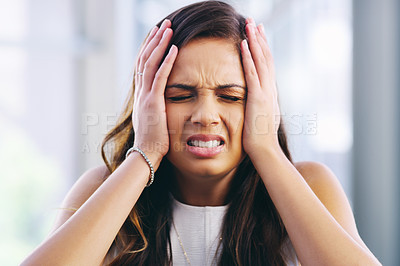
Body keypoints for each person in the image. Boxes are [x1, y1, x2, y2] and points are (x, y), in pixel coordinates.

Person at [21, 1, 381, 265]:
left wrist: (267, 150)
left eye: (230, 96)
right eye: (180, 95)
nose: (206, 115)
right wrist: (144, 154)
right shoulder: (105, 188)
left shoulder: (310, 185)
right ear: (148, 104)